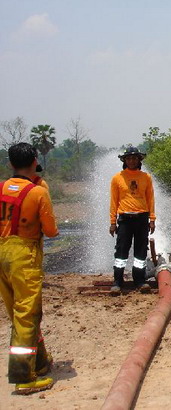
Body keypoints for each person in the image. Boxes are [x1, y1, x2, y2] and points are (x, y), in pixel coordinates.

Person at [0, 142, 59, 395]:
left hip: (1, 252)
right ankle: (24, 377)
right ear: (35, 161)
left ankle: (40, 362)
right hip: (24, 256)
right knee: (27, 314)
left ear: (10, 164)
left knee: (16, 310)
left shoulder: (1, 188)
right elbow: (51, 230)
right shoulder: (37, 193)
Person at [109, 146, 156, 293]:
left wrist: (152, 219)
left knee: (140, 252)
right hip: (124, 219)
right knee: (121, 251)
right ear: (124, 160)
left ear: (139, 160)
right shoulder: (117, 178)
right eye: (128, 158)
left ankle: (140, 281)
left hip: (142, 218)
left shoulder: (146, 177)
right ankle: (117, 281)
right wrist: (112, 222)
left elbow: (150, 199)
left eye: (134, 158)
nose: (132, 161)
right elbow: (113, 201)